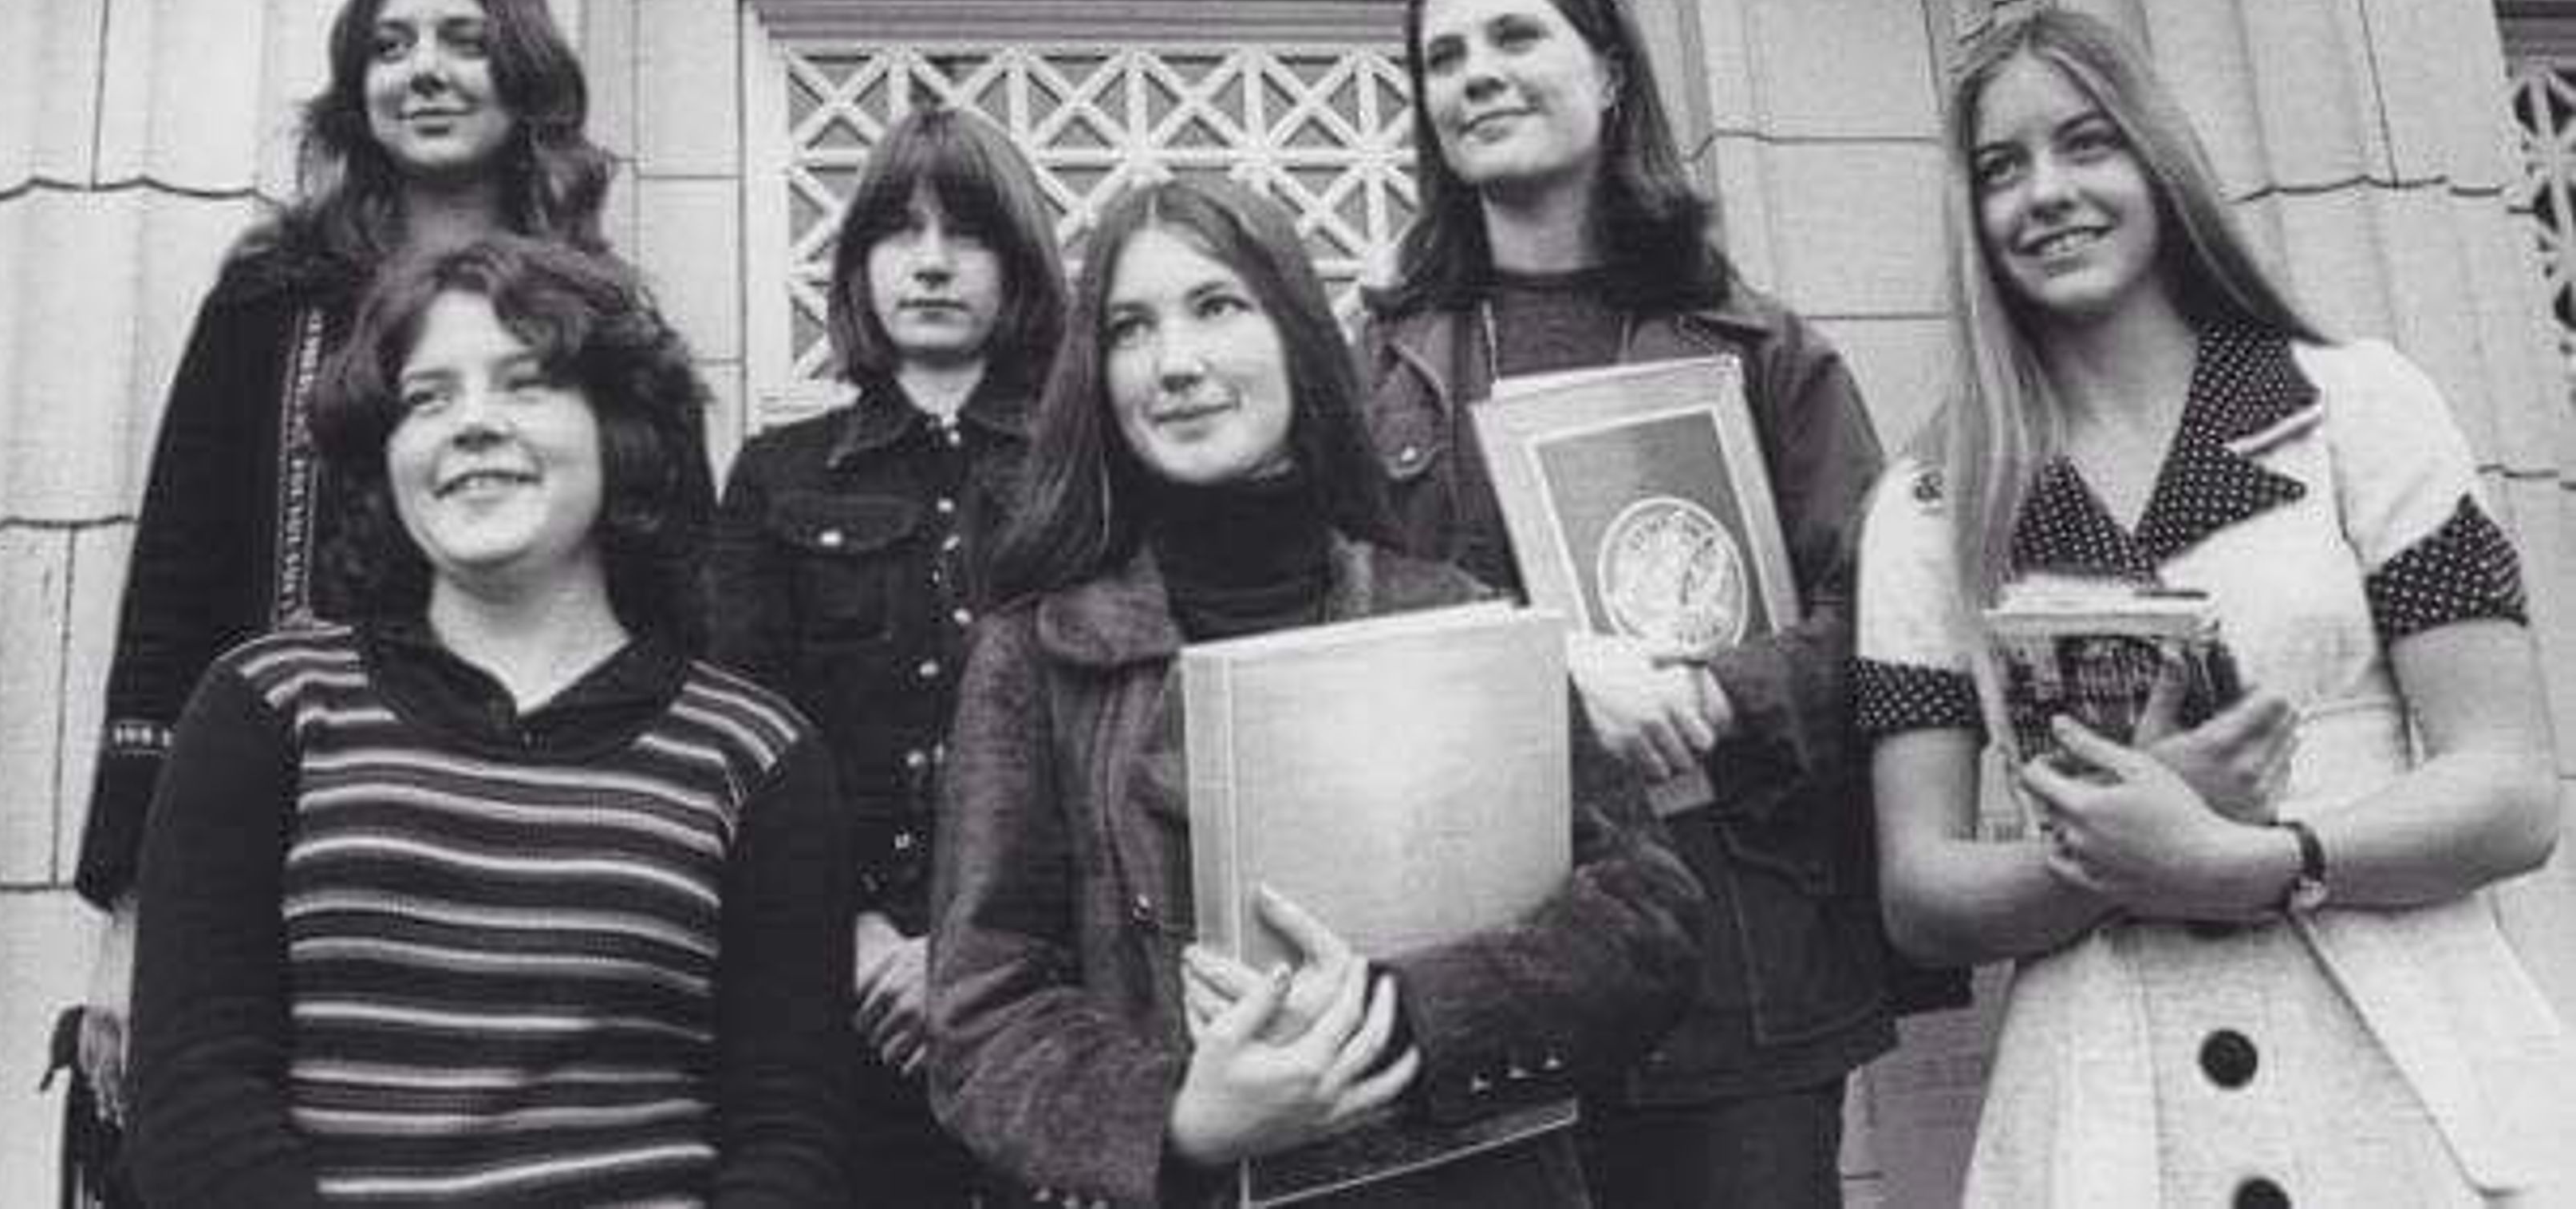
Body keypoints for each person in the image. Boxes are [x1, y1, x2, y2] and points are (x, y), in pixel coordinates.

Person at [1856, 7, 2570, 1205]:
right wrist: (2109, 863)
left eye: (2085, 145)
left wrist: (2246, 860)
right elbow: (1918, 891)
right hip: (2108, 1114)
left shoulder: (2356, 407)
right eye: (1999, 169)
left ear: (2155, 160)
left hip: (2405, 1090)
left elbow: (2506, 792)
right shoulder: (1928, 502)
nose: (2044, 193)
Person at [929, 175, 1708, 1209]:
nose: (1175, 364)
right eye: (1129, 328)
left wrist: (1391, 1016)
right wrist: (1180, 1119)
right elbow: (981, 1012)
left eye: (1216, 307)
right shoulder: (1035, 656)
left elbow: (1647, 915)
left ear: (1295, 333)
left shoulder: (1451, 612)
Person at [128, 235, 852, 1206]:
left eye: (524, 384)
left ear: (619, 429)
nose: (470, 424)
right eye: (427, 399)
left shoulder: (756, 756)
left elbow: (789, 1136)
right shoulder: (266, 709)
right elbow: (193, 1096)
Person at [1354, 0, 1897, 1206]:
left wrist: (1709, 697)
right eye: (1441, 57)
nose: (1472, 75)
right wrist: (1544, 676)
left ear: (1605, 73)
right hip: (1482, 972)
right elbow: (1336, 619)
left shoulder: (1763, 347)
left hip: (1738, 967)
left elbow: (1880, 625)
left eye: (1512, 35)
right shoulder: (1369, 362)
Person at [72, 0, 623, 1128]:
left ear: (522, 71)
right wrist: (130, 917)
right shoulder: (271, 297)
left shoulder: (598, 312)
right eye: (390, 45)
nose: (423, 69)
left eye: (463, 40)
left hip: (533, 841)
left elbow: (653, 592)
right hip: (289, 837)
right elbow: (176, 593)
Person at [708, 103, 1067, 1203]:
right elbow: (740, 741)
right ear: (857, 265)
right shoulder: (778, 474)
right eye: (896, 234)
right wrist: (857, 938)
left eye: (965, 234)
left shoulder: (1082, 467)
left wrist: (971, 962)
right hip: (841, 999)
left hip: (1049, 997)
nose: (930, 264)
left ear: (1016, 268)